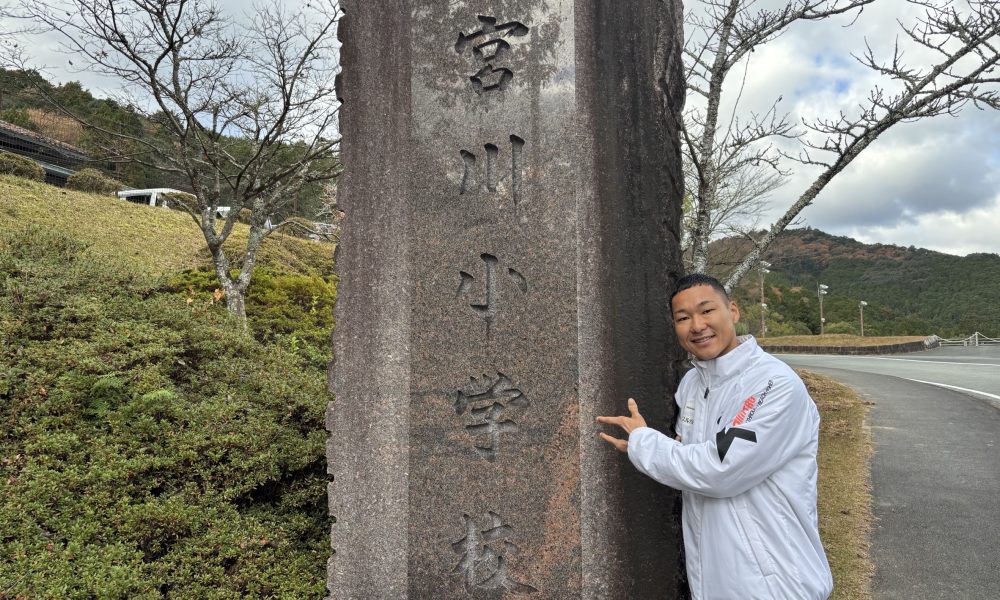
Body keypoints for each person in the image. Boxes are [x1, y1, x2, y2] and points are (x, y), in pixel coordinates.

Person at [597, 273, 833, 599]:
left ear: (732, 311)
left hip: (775, 584)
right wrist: (658, 449)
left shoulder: (773, 384)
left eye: (707, 311)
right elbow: (692, 459)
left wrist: (646, 444)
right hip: (713, 579)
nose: (697, 325)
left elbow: (720, 468)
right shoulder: (693, 385)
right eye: (683, 318)